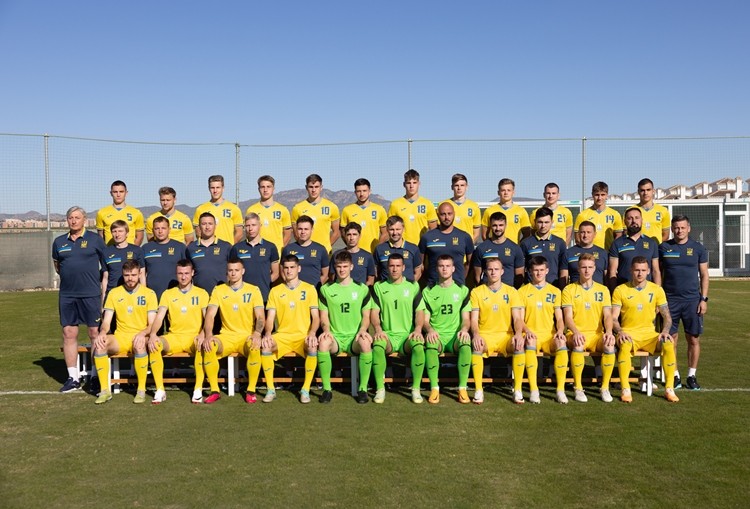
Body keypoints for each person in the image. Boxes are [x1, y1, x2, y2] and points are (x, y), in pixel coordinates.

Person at [52, 206, 106, 393]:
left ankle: (96, 377)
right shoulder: (59, 242)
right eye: (71, 218)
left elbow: (105, 265)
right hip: (67, 295)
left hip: (91, 294)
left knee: (94, 333)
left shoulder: (95, 240)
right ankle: (73, 378)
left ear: (84, 220)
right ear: (67, 220)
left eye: (77, 217)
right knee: (69, 333)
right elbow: (58, 266)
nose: (74, 221)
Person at [612, 256, 678, 403]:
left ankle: (669, 389)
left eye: (643, 270)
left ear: (648, 271)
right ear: (631, 270)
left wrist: (665, 331)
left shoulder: (657, 290)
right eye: (637, 270)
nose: (640, 273)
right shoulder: (620, 290)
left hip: (650, 336)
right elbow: (613, 318)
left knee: (668, 343)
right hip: (629, 334)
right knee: (624, 345)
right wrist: (620, 331)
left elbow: (667, 317)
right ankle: (625, 388)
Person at [199, 259, 266, 404]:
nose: (233, 273)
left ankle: (251, 390)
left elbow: (260, 316)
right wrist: (209, 335)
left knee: (255, 346)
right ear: (227, 272)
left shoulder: (253, 290)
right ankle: (214, 390)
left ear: (243, 271)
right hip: (226, 337)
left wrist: (257, 333)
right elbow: (210, 315)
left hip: (246, 336)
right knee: (209, 346)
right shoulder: (219, 290)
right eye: (230, 270)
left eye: (236, 270)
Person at [92, 260, 157, 404]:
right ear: (123, 275)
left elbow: (152, 325)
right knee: (100, 345)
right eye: (127, 275)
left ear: (140, 274)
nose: (130, 278)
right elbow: (106, 321)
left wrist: (142, 333)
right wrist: (102, 332)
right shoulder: (114, 293)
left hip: (140, 337)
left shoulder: (149, 294)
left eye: (133, 275)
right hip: (120, 337)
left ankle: (141, 390)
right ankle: (105, 391)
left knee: (139, 345)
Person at [146, 259, 209, 404]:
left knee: (202, 346)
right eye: (180, 273)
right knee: (155, 345)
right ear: (176, 274)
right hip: (174, 337)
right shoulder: (168, 294)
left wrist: (203, 334)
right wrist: (153, 334)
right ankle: (160, 390)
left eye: (186, 273)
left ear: (192, 273)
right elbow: (159, 317)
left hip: (193, 337)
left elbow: (208, 318)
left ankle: (198, 389)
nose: (183, 277)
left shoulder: (202, 293)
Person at [261, 255, 321, 404]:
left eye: (292, 267)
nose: (289, 271)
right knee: (266, 345)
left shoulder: (309, 289)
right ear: (282, 270)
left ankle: (305, 390)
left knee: (312, 346)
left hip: (302, 336)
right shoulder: (275, 291)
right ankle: (270, 389)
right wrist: (267, 333)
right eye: (286, 268)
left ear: (299, 268)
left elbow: (316, 317)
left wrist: (312, 333)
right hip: (282, 336)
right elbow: (270, 318)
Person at [659, 215, 709, 390]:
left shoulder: (698, 248)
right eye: (676, 228)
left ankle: (691, 375)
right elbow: (658, 273)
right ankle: (674, 375)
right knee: (670, 339)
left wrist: (703, 299)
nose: (679, 231)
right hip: (669, 301)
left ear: (689, 228)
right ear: (672, 229)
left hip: (692, 301)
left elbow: (704, 275)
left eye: (682, 227)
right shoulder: (664, 247)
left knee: (693, 339)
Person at [317, 251, 374, 403]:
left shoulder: (362, 289)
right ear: (334, 267)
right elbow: (324, 316)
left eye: (345, 266)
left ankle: (363, 389)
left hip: (354, 337)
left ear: (351, 267)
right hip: (335, 337)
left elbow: (366, 316)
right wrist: (327, 331)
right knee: (323, 343)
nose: (342, 270)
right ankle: (327, 390)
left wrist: (362, 330)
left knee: (365, 343)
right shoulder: (326, 289)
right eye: (339, 266)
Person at [370, 253, 426, 404]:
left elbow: (420, 312)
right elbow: (374, 313)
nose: (394, 269)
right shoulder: (379, 287)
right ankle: (380, 389)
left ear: (403, 267)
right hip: (387, 335)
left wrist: (418, 329)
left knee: (418, 346)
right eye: (391, 266)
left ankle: (416, 389)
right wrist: (378, 329)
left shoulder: (413, 286)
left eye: (398, 266)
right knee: (377, 346)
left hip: (407, 336)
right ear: (387, 267)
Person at [562, 253, 617, 403]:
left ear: (594, 269)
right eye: (583, 267)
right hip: (575, 333)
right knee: (578, 344)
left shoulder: (603, 290)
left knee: (609, 344)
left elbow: (607, 315)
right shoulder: (569, 290)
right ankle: (578, 388)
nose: (587, 270)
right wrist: (576, 332)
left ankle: (604, 387)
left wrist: (609, 332)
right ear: (578, 268)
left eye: (590, 267)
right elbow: (568, 317)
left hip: (596, 334)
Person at [469, 258, 525, 404]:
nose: (493, 272)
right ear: (485, 272)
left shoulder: (511, 291)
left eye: (496, 269)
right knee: (477, 346)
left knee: (519, 345)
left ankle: (517, 389)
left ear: (502, 271)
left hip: (505, 336)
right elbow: (473, 320)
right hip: (485, 335)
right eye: (490, 269)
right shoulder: (477, 292)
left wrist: (518, 334)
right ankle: (478, 389)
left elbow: (517, 318)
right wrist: (476, 335)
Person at [421, 255, 471, 404]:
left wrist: (464, 329)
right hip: (437, 336)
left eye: (448, 266)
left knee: (465, 343)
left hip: (455, 336)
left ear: (453, 269)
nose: (444, 269)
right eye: (441, 266)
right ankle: (434, 388)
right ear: (436, 269)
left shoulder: (462, 290)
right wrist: (430, 330)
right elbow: (425, 320)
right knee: (430, 343)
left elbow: (466, 319)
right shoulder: (428, 291)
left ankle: (462, 388)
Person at [518, 256, 566, 404]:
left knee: (561, 343)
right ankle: (534, 390)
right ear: (530, 272)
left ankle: (560, 390)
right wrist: (527, 330)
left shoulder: (555, 291)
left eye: (541, 270)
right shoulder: (522, 291)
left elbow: (559, 318)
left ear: (547, 271)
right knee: (530, 342)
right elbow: (519, 319)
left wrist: (560, 330)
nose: (538, 273)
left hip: (548, 335)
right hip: (531, 334)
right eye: (535, 270)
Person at [418, 202, 474, 286]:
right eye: (443, 214)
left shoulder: (464, 237)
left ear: (454, 214)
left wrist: (461, 278)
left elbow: (470, 263)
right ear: (437, 215)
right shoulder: (427, 237)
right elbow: (420, 264)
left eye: (449, 214)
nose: (446, 217)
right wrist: (431, 278)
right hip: (434, 286)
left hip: (457, 286)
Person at [607, 207, 660, 292]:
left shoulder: (651, 243)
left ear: (642, 220)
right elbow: (612, 272)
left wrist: (658, 292)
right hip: (624, 292)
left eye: (637, 218)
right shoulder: (617, 243)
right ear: (625, 221)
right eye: (630, 218)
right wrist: (614, 292)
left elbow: (656, 271)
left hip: (647, 292)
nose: (634, 221)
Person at [231, 212, 280, 303]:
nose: (250, 228)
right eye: (247, 226)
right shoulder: (236, 248)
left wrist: (265, 282)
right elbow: (230, 271)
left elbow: (276, 273)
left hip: (263, 295)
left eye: (254, 225)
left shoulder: (270, 247)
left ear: (260, 226)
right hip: (242, 296)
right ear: (244, 227)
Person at [471, 211, 525, 288]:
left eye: (501, 225)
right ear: (490, 226)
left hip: (509, 291)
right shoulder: (481, 248)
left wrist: (512, 291)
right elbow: (477, 275)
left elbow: (520, 276)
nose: (498, 228)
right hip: (488, 291)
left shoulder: (515, 248)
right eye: (494, 225)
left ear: (505, 225)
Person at [291, 173, 340, 254]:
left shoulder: (332, 207)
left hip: (325, 252)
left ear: (321, 187)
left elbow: (336, 232)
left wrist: (326, 247)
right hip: (304, 251)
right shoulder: (297, 208)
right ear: (306, 187)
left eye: (316, 187)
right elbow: (296, 233)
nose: (313, 190)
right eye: (311, 187)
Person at [519, 207, 568, 288]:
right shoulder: (526, 243)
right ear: (535, 222)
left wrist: (562, 288)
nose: (543, 226)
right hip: (532, 289)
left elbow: (563, 269)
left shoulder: (560, 243)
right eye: (540, 222)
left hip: (554, 288)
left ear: (552, 222)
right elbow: (521, 268)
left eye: (546, 222)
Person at [142, 216, 189, 300]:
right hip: (152, 295)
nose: (160, 231)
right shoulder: (145, 248)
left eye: (163, 228)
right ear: (152, 230)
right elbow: (141, 273)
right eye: (157, 228)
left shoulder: (180, 247)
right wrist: (144, 292)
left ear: (169, 230)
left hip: (176, 295)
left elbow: (187, 272)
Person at [186, 212, 232, 295]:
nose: (207, 227)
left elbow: (233, 270)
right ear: (199, 227)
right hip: (198, 295)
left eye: (210, 224)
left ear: (215, 226)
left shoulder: (226, 246)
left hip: (222, 295)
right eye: (204, 224)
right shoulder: (191, 248)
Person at [388, 169, 438, 245]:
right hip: (401, 247)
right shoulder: (395, 204)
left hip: (421, 247)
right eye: (408, 183)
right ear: (404, 184)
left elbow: (433, 229)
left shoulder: (427, 203)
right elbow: (390, 228)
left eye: (414, 183)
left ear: (419, 184)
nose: (411, 186)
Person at [245, 175, 292, 255]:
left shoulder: (283, 210)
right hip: (257, 253)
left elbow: (287, 234)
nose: (265, 190)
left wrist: (279, 249)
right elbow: (248, 233)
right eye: (262, 187)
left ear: (273, 188)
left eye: (268, 187)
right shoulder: (251, 210)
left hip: (277, 255)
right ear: (258, 189)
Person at [340, 178, 388, 252]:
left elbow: (385, 233)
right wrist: (351, 246)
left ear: (370, 191)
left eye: (364, 191)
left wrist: (377, 249)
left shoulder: (379, 209)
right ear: (355, 192)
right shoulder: (347, 210)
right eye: (359, 191)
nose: (362, 194)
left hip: (372, 253)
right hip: (353, 253)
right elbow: (343, 232)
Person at [192, 175, 243, 245]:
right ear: (209, 189)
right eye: (212, 188)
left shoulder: (234, 208)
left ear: (223, 188)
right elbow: (198, 232)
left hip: (227, 250)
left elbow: (239, 232)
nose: (215, 191)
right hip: (208, 249)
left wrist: (230, 247)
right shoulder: (200, 209)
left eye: (218, 187)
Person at [573, 181, 623, 251]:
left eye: (602, 195)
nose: (599, 198)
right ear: (592, 195)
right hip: (588, 254)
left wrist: (613, 251)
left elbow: (618, 236)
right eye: (597, 195)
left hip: (607, 253)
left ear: (607, 195)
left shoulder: (615, 214)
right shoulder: (583, 215)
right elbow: (577, 238)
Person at [282, 215, 330, 287]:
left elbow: (325, 274)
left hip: (314, 291)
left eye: (306, 229)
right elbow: (282, 271)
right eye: (300, 229)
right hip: (294, 290)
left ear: (312, 230)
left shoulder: (320, 249)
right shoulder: (288, 249)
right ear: (296, 229)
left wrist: (315, 288)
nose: (303, 232)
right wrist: (291, 286)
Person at [102, 220, 145, 298]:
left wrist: (143, 294)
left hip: (132, 294)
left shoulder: (137, 250)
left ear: (127, 233)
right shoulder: (106, 252)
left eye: (120, 231)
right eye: (114, 231)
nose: (117, 234)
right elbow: (105, 278)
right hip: (112, 294)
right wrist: (103, 298)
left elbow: (142, 275)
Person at [481, 178, 531, 244]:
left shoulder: (521, 211)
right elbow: (484, 234)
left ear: (513, 192)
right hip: (495, 249)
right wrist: (491, 246)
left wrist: (518, 247)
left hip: (513, 249)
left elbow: (527, 235)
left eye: (509, 190)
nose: (506, 193)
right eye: (503, 190)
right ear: (498, 192)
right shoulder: (489, 211)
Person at [373, 215, 423, 282]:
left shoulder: (413, 248)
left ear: (403, 229)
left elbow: (418, 272)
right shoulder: (379, 249)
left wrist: (410, 286)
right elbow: (375, 271)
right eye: (391, 229)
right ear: (387, 230)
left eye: (398, 229)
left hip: (407, 288)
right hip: (387, 287)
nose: (395, 233)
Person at [96, 180, 145, 246]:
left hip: (130, 251)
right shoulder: (101, 213)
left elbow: (139, 237)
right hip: (110, 251)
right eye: (115, 192)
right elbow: (101, 237)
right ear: (111, 193)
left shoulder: (136, 213)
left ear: (126, 193)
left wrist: (133, 250)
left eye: (121, 192)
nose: (118, 195)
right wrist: (106, 250)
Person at [440, 173, 481, 242]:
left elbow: (476, 233)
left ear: (467, 187)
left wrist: (469, 245)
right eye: (456, 185)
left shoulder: (474, 206)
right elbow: (438, 228)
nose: (459, 188)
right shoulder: (443, 205)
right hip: (448, 245)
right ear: (452, 187)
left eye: (462, 185)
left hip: (466, 246)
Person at [565, 220, 608, 284]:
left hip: (598, 289)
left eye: (588, 232)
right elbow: (564, 276)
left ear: (594, 234)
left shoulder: (603, 253)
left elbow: (607, 277)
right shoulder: (568, 252)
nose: (585, 235)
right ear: (578, 234)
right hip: (576, 289)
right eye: (582, 232)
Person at [636, 178, 671, 243]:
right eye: (642, 190)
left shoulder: (663, 210)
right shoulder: (631, 211)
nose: (645, 193)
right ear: (638, 192)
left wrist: (654, 246)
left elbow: (666, 235)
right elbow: (627, 234)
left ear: (653, 191)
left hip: (656, 248)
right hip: (637, 248)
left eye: (648, 190)